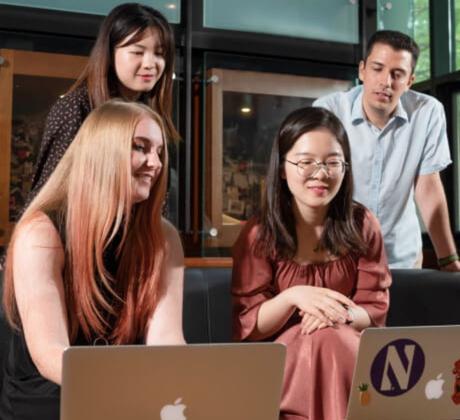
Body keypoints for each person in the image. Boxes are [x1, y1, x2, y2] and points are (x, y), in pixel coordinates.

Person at [0, 100, 185, 420]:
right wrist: (132, 391)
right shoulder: (41, 234)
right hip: (48, 397)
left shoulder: (164, 238)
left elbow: (167, 340)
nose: (155, 164)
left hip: (121, 390)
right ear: (101, 152)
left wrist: (187, 387)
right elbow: (50, 355)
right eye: (140, 148)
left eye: (159, 152)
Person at [232, 107, 391, 420]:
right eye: (306, 162)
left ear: (345, 169)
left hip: (347, 348)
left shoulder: (363, 224)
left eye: (333, 163)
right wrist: (294, 297)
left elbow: (374, 313)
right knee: (325, 339)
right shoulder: (258, 233)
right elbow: (247, 326)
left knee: (332, 336)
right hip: (281, 365)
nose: (321, 174)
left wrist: (335, 315)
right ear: (282, 168)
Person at [0, 3, 178, 271]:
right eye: (138, 52)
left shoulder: (152, 117)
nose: (151, 64)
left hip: (124, 263)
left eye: (160, 54)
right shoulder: (76, 108)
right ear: (110, 53)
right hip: (68, 262)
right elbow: (49, 197)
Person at [314, 30, 460, 271]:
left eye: (397, 74)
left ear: (409, 81)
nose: (386, 82)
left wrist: (448, 259)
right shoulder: (328, 111)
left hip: (401, 259)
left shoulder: (427, 112)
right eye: (377, 68)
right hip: (337, 256)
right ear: (362, 70)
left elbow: (428, 186)